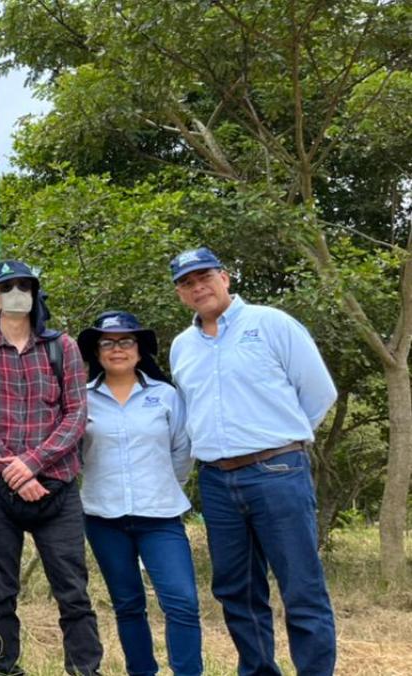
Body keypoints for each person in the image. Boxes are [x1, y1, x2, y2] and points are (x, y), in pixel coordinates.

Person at [168, 247, 338, 676]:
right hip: (216, 480)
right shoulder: (182, 347)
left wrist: (279, 441)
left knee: (300, 586)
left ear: (225, 277)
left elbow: (318, 393)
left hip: (277, 472)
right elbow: (189, 414)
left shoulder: (271, 324)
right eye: (187, 283)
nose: (198, 287)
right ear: (180, 294)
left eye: (204, 277)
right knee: (236, 590)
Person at [0, 259, 101, 676]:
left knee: (73, 591)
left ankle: (84, 669)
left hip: (56, 486)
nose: (17, 293)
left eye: (24, 286)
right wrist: (15, 474)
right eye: (6, 288)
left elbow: (76, 415)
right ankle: (4, 668)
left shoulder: (63, 347)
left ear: (35, 294)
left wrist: (32, 464)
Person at [75, 311, 201, 676]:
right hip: (103, 518)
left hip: (160, 517)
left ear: (139, 349)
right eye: (108, 343)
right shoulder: (81, 400)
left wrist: (161, 485)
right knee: (128, 605)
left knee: (182, 602)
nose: (117, 349)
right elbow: (74, 455)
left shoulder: (165, 396)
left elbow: (182, 451)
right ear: (96, 352)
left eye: (126, 341)